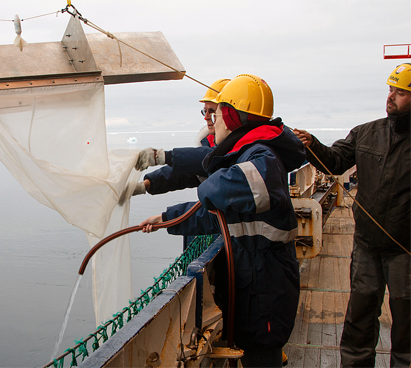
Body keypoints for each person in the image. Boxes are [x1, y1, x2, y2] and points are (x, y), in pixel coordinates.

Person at [140, 74, 305, 367]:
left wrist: (210, 177)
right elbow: (219, 215)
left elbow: (219, 191)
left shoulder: (261, 157)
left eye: (215, 112)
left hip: (265, 292)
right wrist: (167, 218)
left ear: (231, 113)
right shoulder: (250, 153)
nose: (211, 120)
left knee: (262, 356)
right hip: (258, 283)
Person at [293, 63, 411, 368]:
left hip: (406, 251)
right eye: (390, 89)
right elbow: (334, 161)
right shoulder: (366, 133)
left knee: (408, 324)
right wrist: (312, 144)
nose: (391, 97)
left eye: (400, 92)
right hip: (367, 245)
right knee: (360, 315)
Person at [132, 79, 230, 196]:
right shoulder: (211, 143)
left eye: (212, 111)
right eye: (204, 112)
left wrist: (161, 156)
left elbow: (210, 158)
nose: (206, 117)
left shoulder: (236, 148)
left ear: (228, 114)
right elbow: (186, 173)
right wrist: (148, 184)